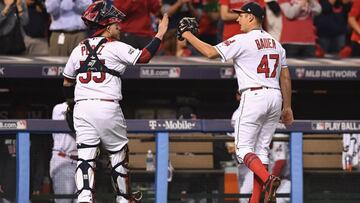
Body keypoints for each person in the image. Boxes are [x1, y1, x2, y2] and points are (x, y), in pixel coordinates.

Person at [178, 2, 294, 202]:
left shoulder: (243, 40)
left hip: (253, 95)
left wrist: (187, 35)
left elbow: (210, 52)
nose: (238, 19)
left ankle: (267, 179)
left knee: (242, 149)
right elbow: (285, 77)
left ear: (251, 17)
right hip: (275, 96)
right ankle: (257, 198)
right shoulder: (276, 43)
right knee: (262, 151)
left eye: (241, 15)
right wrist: (288, 106)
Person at [62, 1, 168, 202]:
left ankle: (84, 198)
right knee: (118, 154)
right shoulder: (115, 47)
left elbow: (67, 82)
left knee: (85, 156)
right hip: (107, 105)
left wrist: (70, 104)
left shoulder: (78, 49)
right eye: (116, 25)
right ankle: (123, 197)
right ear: (107, 27)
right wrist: (160, 34)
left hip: (82, 107)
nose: (119, 27)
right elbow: (143, 57)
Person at [50, 102, 77, 203]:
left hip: (81, 162)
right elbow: (73, 120)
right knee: (63, 201)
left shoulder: (86, 107)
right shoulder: (59, 108)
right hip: (64, 159)